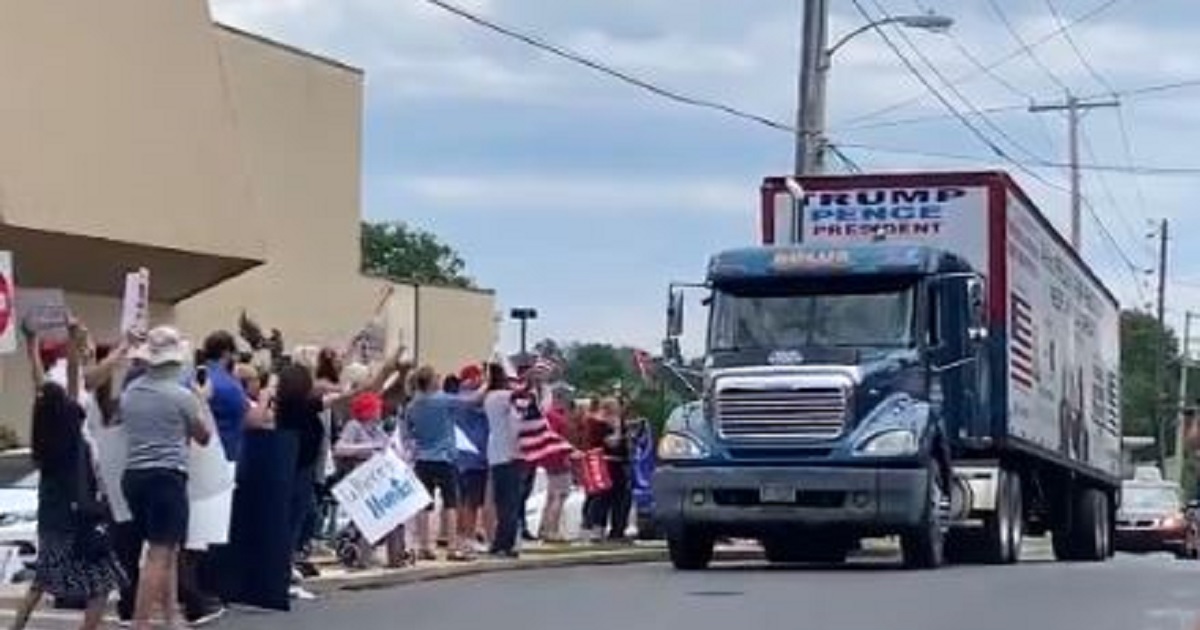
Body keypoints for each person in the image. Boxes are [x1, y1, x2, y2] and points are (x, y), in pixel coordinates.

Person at [9, 325, 125, 630]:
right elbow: (74, 379)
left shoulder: (45, 441)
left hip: (51, 514)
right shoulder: (73, 436)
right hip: (78, 514)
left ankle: (15, 627)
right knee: (102, 580)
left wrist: (31, 344)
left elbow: (43, 385)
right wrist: (73, 343)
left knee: (43, 578)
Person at [120, 326, 213, 630]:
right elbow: (204, 436)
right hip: (167, 475)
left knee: (167, 547)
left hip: (134, 473)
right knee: (159, 553)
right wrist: (202, 401)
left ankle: (172, 615)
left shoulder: (131, 392)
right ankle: (142, 622)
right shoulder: (181, 396)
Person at [333, 392, 411, 568]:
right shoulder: (354, 426)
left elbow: (388, 447)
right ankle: (363, 557)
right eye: (376, 408)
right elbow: (339, 448)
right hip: (362, 481)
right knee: (371, 518)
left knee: (396, 512)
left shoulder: (377, 428)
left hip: (379, 480)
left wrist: (402, 454)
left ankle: (396, 557)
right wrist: (368, 447)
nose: (380, 411)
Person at [405, 366, 472, 562]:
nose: (439, 378)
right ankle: (452, 547)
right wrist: (487, 385)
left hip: (423, 458)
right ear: (431, 382)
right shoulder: (443, 400)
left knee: (425, 504)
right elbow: (471, 401)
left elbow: (409, 432)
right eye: (436, 376)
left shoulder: (413, 405)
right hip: (444, 457)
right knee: (451, 502)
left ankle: (425, 545)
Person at [483, 363, 522, 558]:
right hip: (511, 453)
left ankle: (501, 541)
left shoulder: (489, 398)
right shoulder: (505, 398)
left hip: (496, 454)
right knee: (511, 502)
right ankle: (507, 542)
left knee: (501, 501)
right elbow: (518, 419)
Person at [450, 366, 489, 553]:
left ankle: (463, 535)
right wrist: (488, 382)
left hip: (466, 455)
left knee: (466, 499)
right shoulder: (465, 397)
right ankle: (467, 536)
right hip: (473, 455)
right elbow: (476, 399)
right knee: (470, 501)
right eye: (478, 377)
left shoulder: (466, 397)